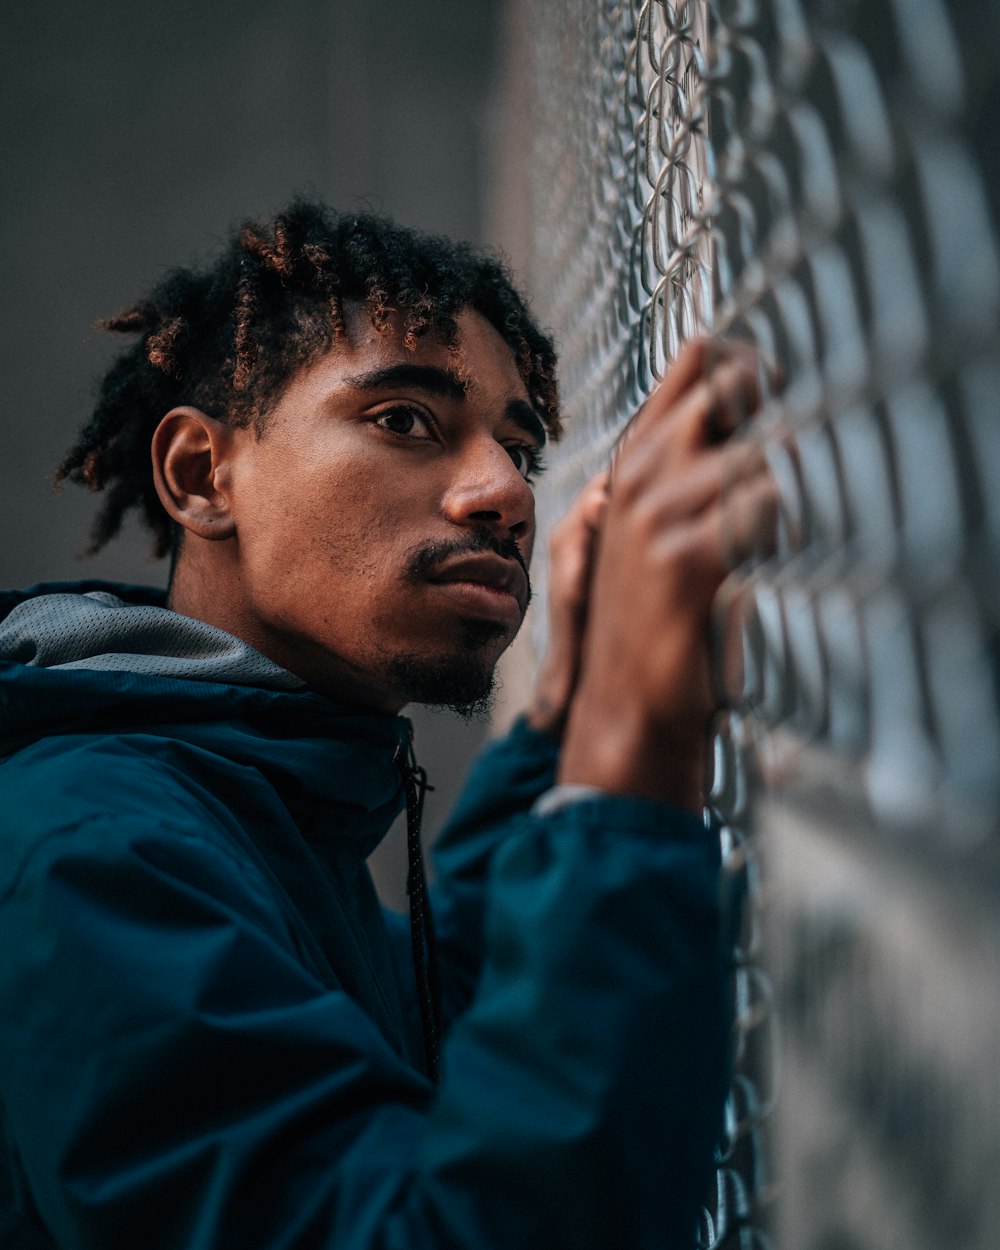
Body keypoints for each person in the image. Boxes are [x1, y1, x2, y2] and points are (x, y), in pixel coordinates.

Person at [0, 200, 774, 1249]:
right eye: (405, 419)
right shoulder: (91, 848)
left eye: (519, 447)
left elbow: (434, 1028)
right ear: (199, 474)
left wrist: (567, 716)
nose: (503, 492)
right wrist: (634, 743)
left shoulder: (252, 796)